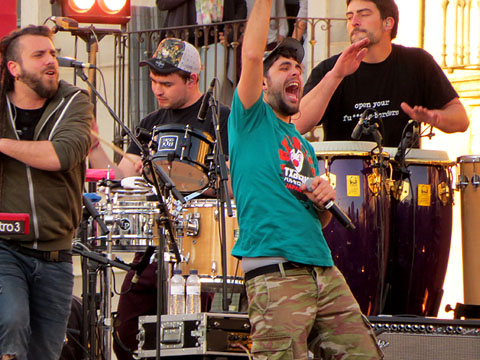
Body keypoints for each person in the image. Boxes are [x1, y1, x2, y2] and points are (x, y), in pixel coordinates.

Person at [227, 0, 382, 358]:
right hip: (276, 273)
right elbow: (251, 56)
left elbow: (322, 218)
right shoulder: (250, 120)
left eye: (298, 66)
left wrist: (323, 198)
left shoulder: (301, 145)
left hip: (323, 271)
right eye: (284, 67)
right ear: (263, 84)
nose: (295, 72)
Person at [89, 37, 231, 360]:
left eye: (166, 83)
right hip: (153, 245)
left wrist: (207, 185)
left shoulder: (220, 118)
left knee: (184, 338)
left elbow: (237, 181)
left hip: (198, 245)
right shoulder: (149, 124)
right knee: (126, 331)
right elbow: (122, 177)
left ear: (193, 79)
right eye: (153, 82)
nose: (157, 90)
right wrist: (94, 147)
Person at [0, 25, 93, 360]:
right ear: (14, 68)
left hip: (56, 255)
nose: (50, 60)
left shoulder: (75, 102)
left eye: (52, 53)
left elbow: (62, 155)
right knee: (10, 324)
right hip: (5, 247)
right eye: (38, 55)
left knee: (46, 353)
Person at [296, 0, 469, 147]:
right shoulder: (329, 69)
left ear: (388, 23)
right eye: (349, 17)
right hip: (343, 182)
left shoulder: (418, 63)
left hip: (404, 179)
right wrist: (335, 76)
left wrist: (435, 117)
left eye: (363, 14)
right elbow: (297, 124)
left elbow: (461, 120)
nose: (354, 22)